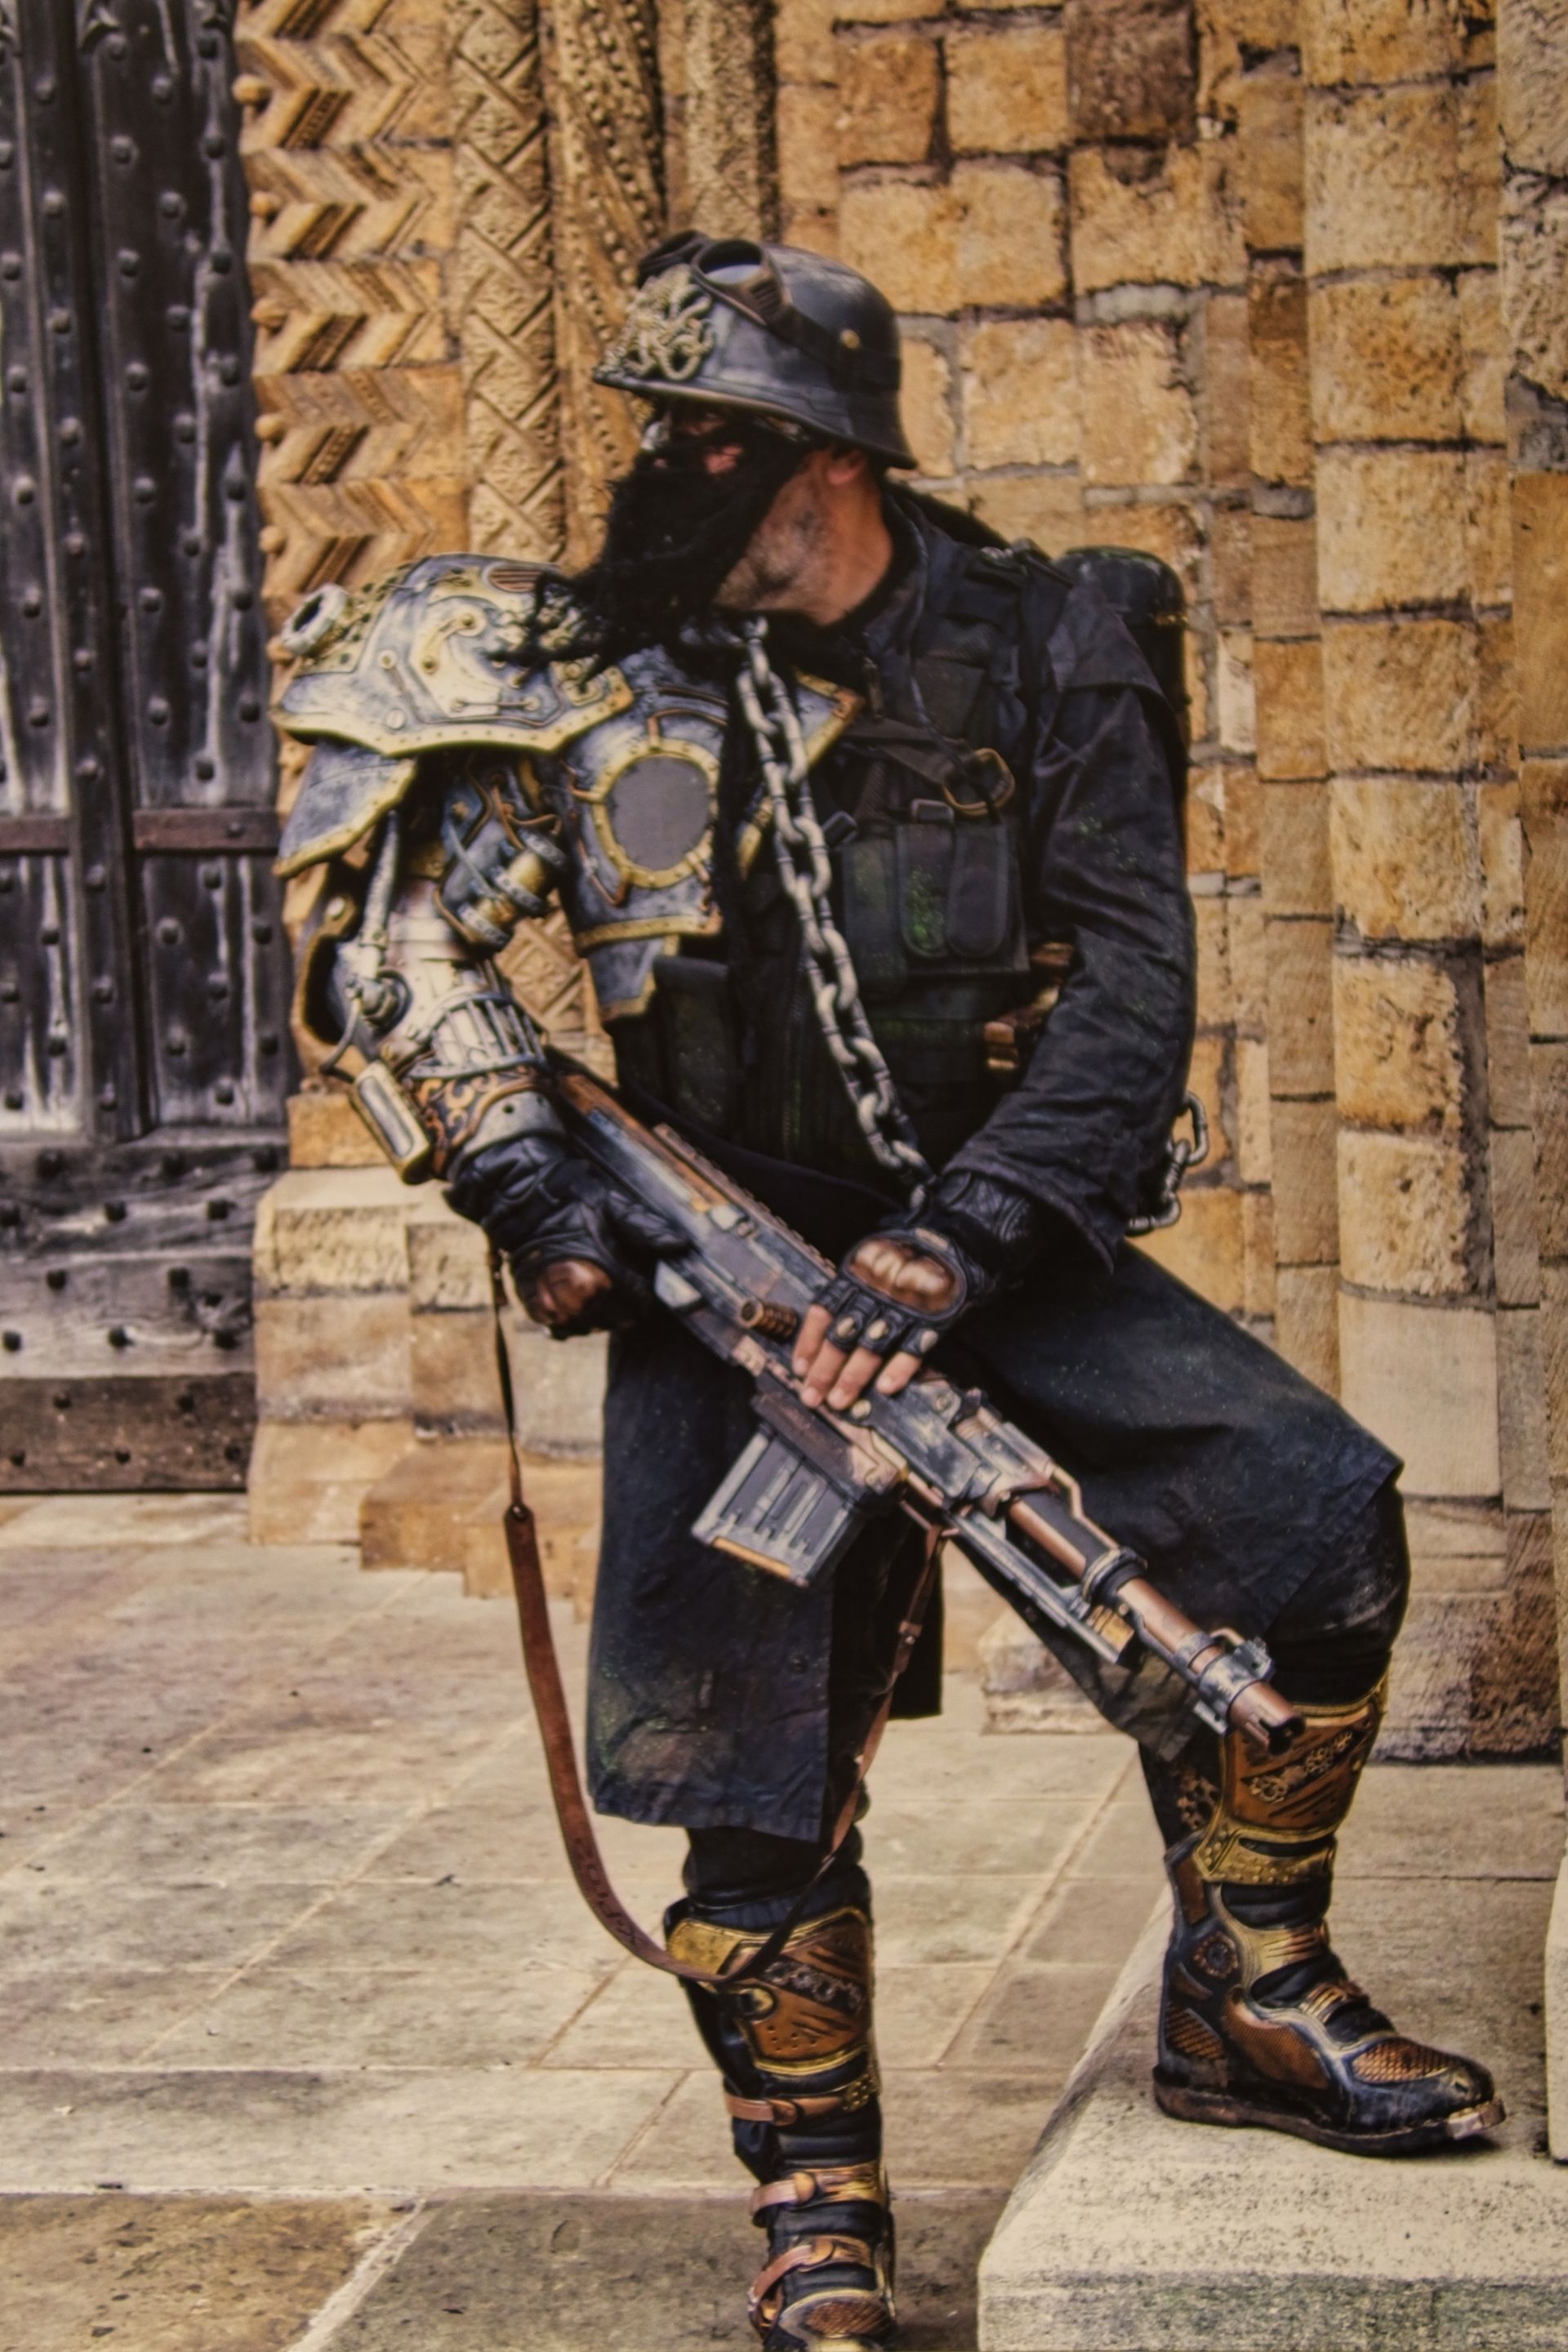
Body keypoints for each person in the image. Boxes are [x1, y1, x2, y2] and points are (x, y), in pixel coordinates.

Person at [273, 233, 1500, 2352]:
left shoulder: (1048, 641)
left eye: (699, 449)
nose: (654, 485)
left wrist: (959, 1239)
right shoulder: (604, 673)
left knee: (1315, 1521)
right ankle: (815, 2195)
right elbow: (398, 942)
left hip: (992, 1240)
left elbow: (1135, 991)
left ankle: (1252, 1992)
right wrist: (534, 1186)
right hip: (727, 1272)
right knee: (739, 1744)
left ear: (820, 461)